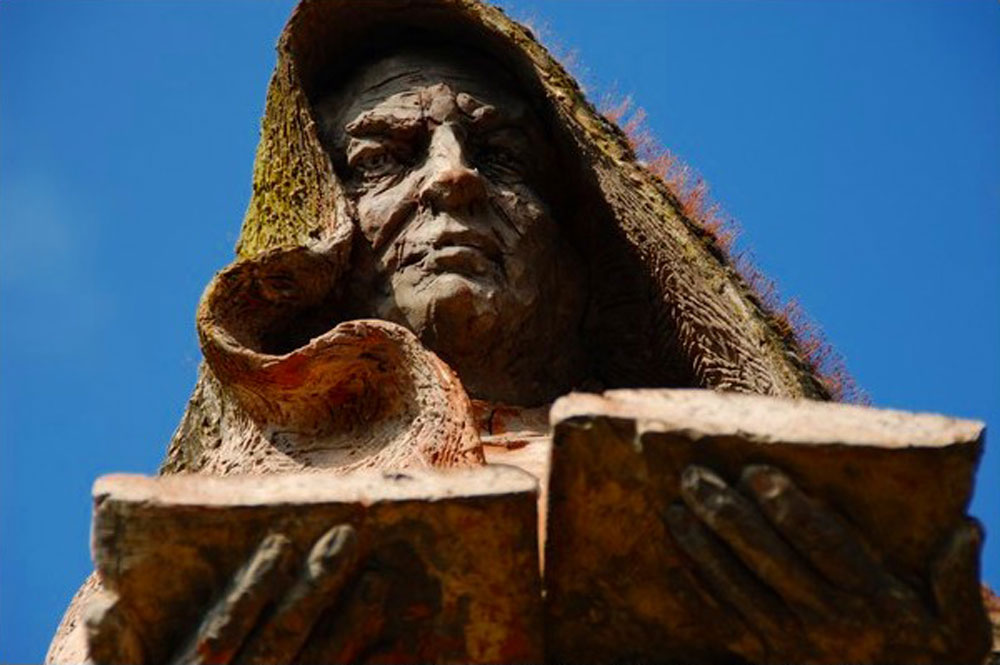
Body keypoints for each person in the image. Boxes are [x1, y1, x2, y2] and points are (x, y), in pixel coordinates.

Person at [47, 1, 991, 663]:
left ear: (585, 246)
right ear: (313, 245)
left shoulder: (762, 519)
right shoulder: (204, 552)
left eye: (501, 153)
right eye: (384, 157)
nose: (453, 176)